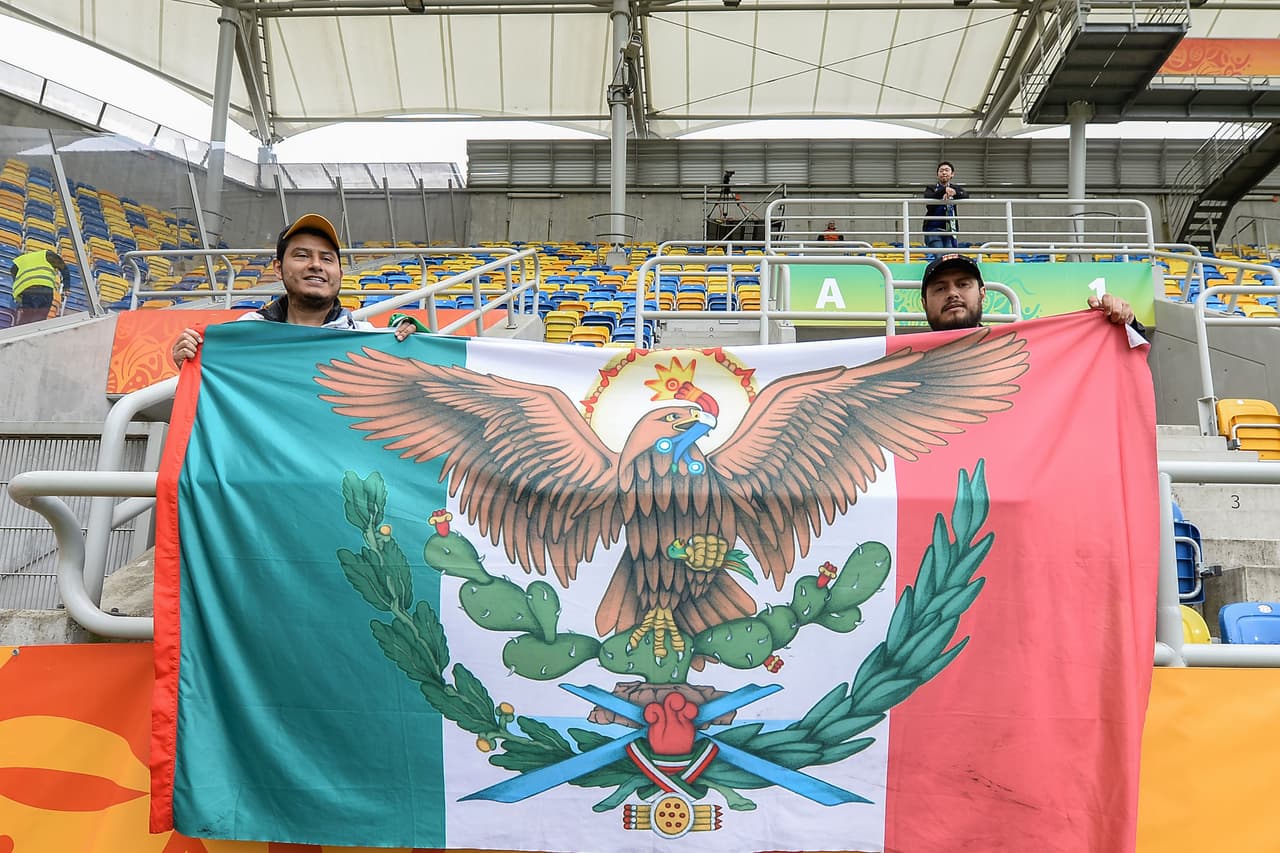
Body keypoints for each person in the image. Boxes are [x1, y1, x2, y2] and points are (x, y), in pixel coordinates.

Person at [173, 213, 416, 367]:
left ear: (339, 275)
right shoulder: (246, 333)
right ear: (278, 268)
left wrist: (412, 343)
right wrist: (191, 366)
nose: (316, 265)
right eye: (302, 255)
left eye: (327, 259)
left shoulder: (366, 338)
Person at [920, 253, 1141, 333]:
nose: (952, 294)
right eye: (940, 288)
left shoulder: (1024, 350)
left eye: (963, 284)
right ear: (923, 302)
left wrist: (1124, 326)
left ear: (982, 294)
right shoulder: (899, 363)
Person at [11, 248, 70, 326]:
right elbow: (64, 268)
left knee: (26, 319)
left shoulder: (22, 259)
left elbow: (13, 270)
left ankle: (20, 335)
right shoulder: (47, 255)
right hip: (45, 290)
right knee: (40, 321)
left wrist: (18, 282)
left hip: (28, 290)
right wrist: (66, 288)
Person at [923, 161, 968, 251]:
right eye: (941, 170)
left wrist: (954, 193)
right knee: (940, 254)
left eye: (947, 170)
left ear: (952, 174)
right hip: (933, 228)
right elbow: (929, 197)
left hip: (950, 229)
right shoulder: (930, 188)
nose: (944, 173)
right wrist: (944, 190)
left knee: (950, 256)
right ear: (937, 174)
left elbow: (965, 195)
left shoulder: (955, 188)